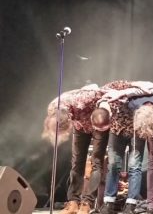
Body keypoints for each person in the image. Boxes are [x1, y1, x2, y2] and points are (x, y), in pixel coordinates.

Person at [42, 85, 111, 214]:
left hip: (97, 122)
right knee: (77, 162)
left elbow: (101, 95)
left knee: (96, 162)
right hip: (80, 125)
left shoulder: (84, 98)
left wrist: (102, 116)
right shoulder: (53, 107)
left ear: (68, 121)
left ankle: (87, 203)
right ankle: (73, 202)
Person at [96, 80, 147, 214]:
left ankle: (131, 203)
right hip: (117, 130)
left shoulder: (134, 88)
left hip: (136, 129)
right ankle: (109, 202)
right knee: (113, 165)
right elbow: (99, 101)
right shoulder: (105, 94)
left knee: (134, 166)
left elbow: (146, 91)